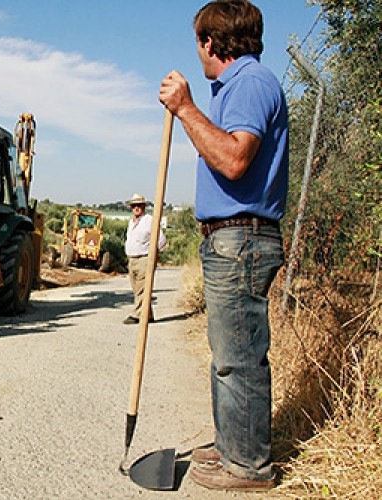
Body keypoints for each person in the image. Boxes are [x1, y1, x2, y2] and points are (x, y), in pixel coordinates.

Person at [158, 0, 288, 491]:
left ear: (211, 43)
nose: (198, 52)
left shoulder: (251, 84)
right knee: (226, 354)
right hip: (229, 238)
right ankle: (231, 444)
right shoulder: (235, 88)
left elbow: (235, 159)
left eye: (199, 43)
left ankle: (249, 465)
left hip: (242, 236)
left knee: (239, 356)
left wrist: (186, 109)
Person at [123, 194, 166, 325]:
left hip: (144, 258)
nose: (136, 208)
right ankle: (148, 314)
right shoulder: (131, 222)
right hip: (132, 259)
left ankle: (137, 314)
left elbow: (161, 240)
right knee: (137, 289)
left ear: (144, 207)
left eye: (139, 205)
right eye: (134, 206)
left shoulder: (149, 220)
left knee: (142, 288)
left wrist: (153, 256)